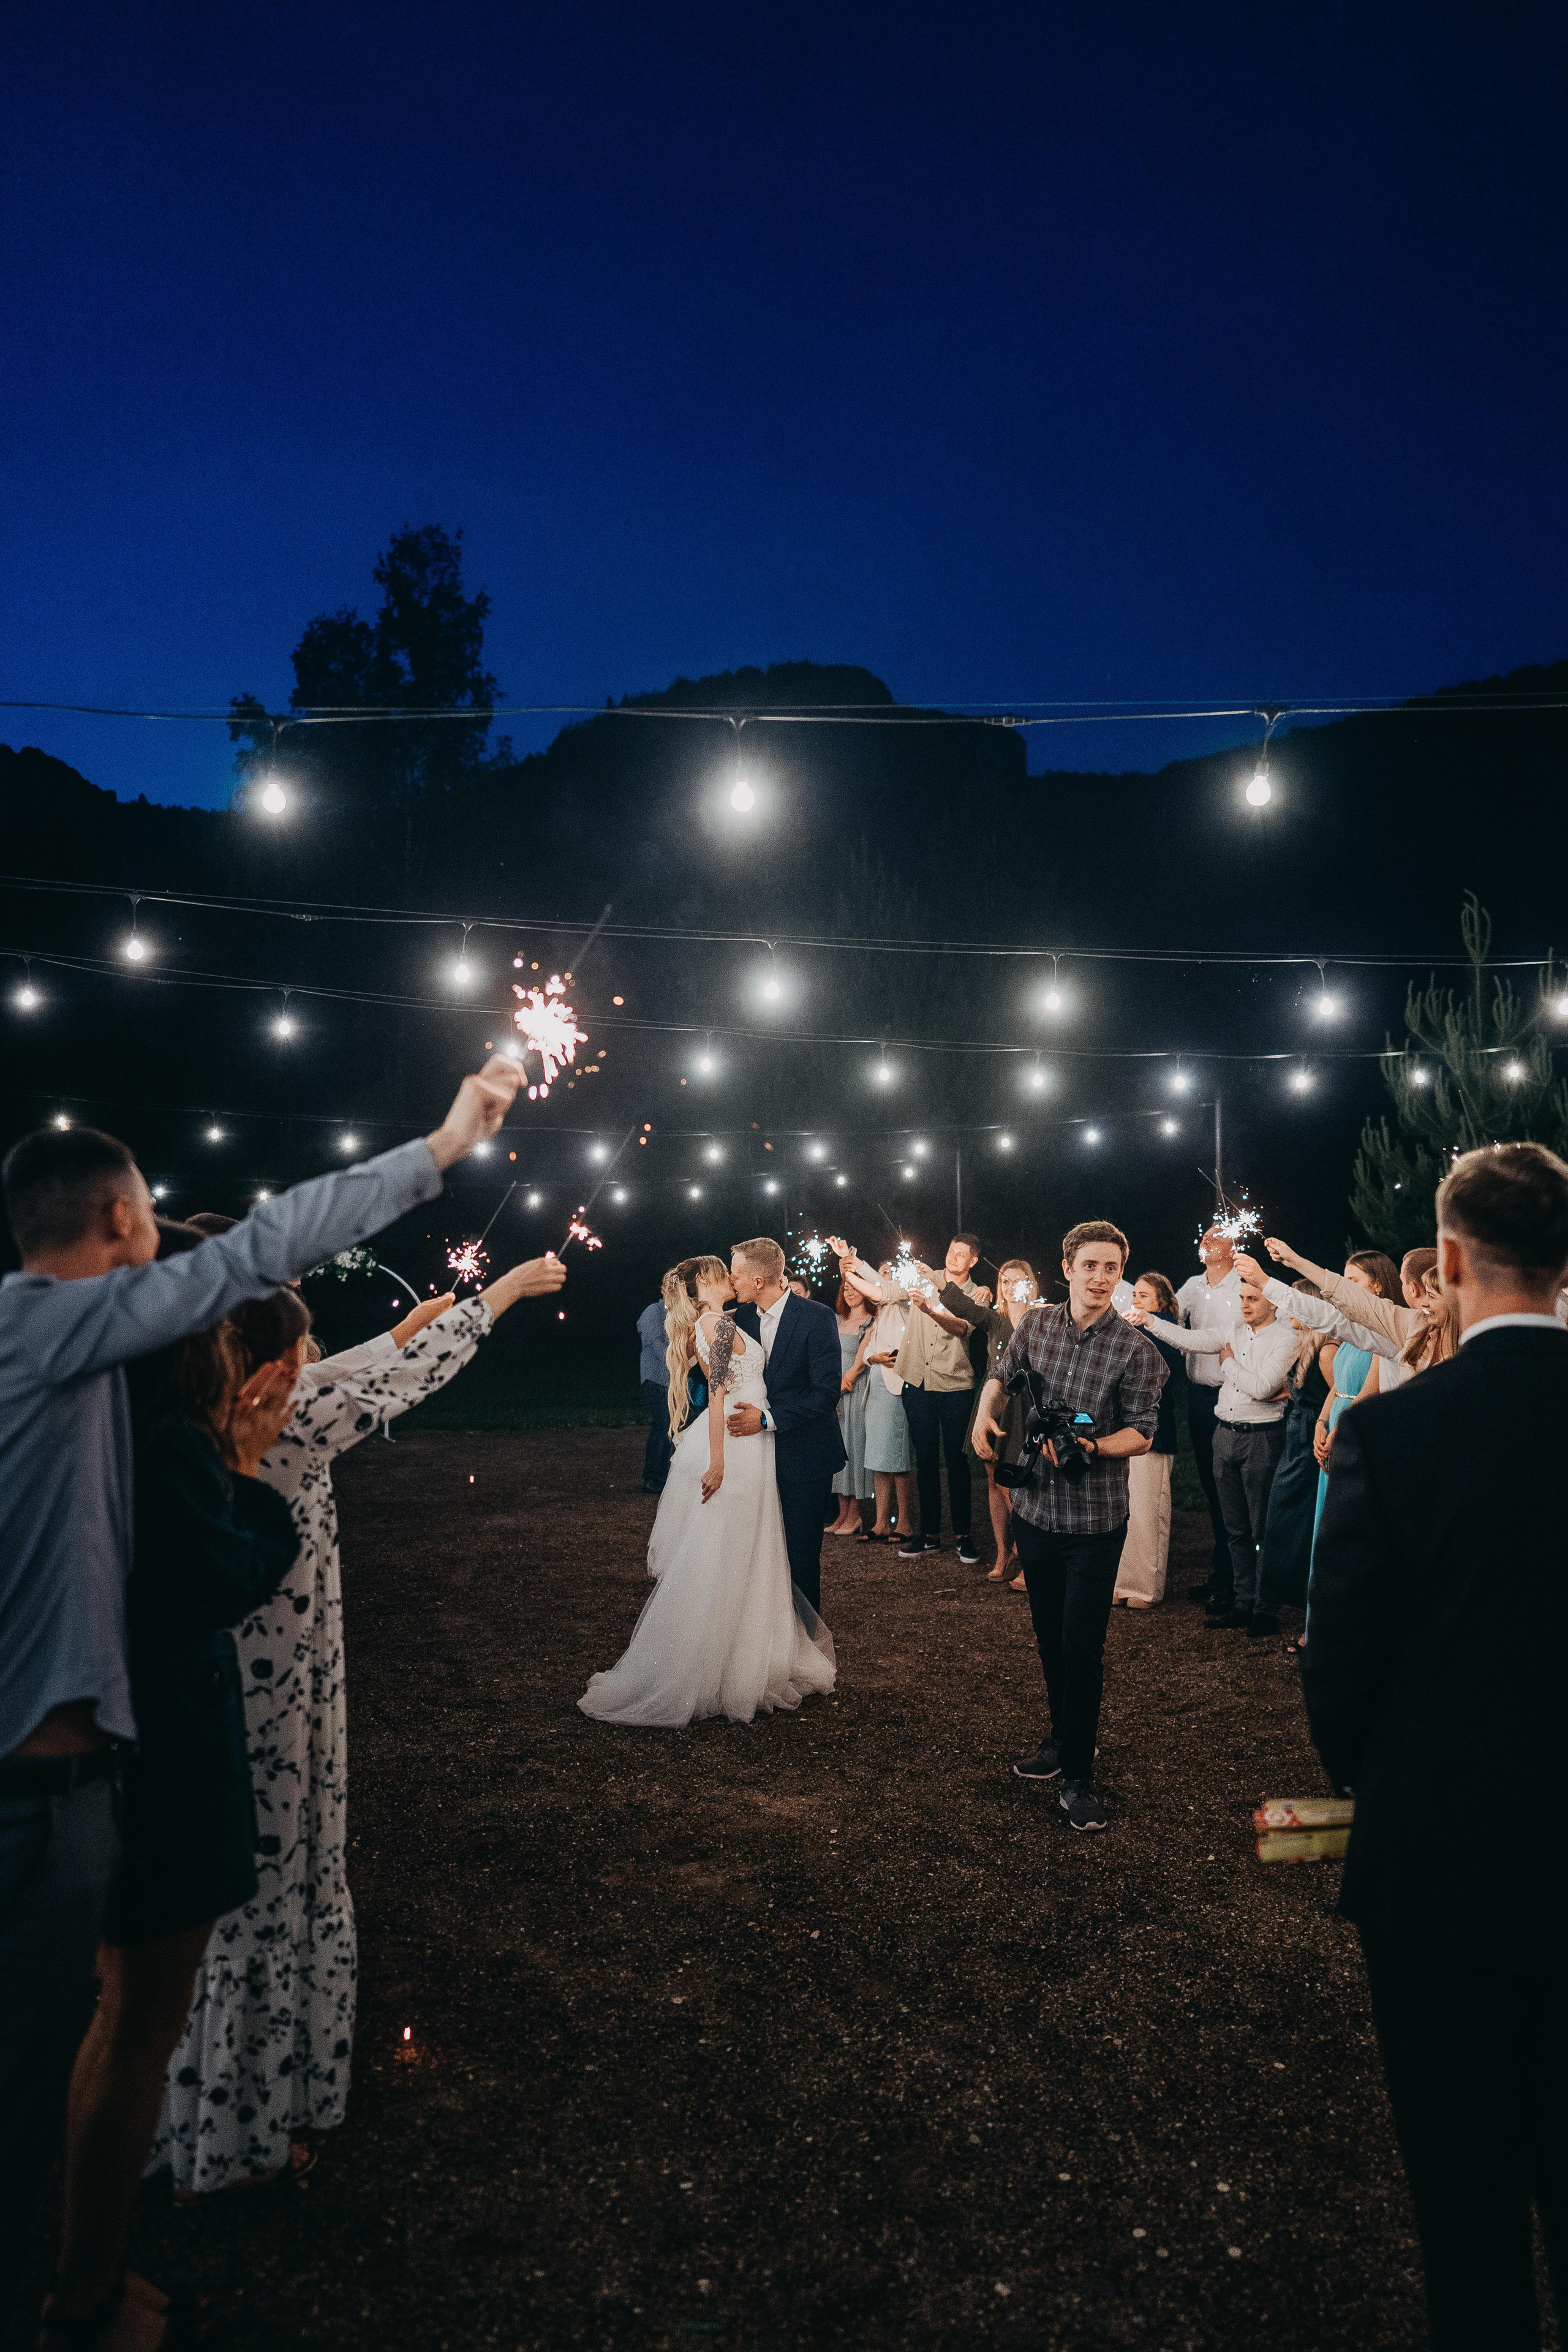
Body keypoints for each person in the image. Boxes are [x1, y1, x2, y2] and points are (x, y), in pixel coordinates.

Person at [0, 1054, 518, 2306]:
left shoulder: (76, 1375)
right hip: (47, 1786)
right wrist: (445, 1146)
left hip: (80, 1769)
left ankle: (81, 2281)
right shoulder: (70, 1334)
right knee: (62, 2062)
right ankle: (66, 2299)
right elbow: (256, 1254)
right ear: (125, 1222)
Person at [153, 1251, 566, 2203]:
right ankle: (244, 2128)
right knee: (270, 1878)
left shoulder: (199, 1404)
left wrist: (408, 1325)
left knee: (219, 1893)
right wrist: (497, 1298)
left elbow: (358, 1370)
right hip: (274, 1688)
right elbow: (386, 1389)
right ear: (268, 1366)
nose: (315, 1354)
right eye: (302, 1342)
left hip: (239, 1673)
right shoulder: (282, 1417)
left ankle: (191, 2109)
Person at [1303, 1142, 1568, 2350]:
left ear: (1448, 1261)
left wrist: (1367, 1779)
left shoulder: (1399, 1434)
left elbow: (1338, 1663)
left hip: (1439, 1869)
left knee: (1463, 2212)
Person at [45, 1239, 307, 2352]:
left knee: (112, 2021)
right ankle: (86, 2298)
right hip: (158, 1756)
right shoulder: (178, 1449)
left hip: (111, 1747)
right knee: (139, 2022)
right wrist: (246, 1462)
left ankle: (83, 2272)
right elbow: (219, 1578)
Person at [578, 1254, 835, 1725]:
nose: (730, 1277)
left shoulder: (716, 1321)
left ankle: (750, 1655)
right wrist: (717, 1463)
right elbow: (715, 1395)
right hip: (738, 1447)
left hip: (755, 1441)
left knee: (753, 1548)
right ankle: (721, 1668)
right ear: (706, 1283)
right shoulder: (715, 1324)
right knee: (729, 1552)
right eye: (724, 1271)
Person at [973, 1221, 1167, 1833]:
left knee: (1083, 1648)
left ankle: (1080, 1775)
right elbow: (1003, 1375)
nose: (1101, 1277)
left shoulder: (1139, 1351)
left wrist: (1092, 1445)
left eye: (1111, 1267)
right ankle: (1059, 1743)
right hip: (1035, 1515)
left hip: (1095, 1523)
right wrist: (984, 1413)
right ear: (1068, 1268)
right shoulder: (1034, 1324)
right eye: (1090, 1265)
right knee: (1050, 1640)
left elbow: (1143, 1431)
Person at [1127, 1265, 1298, 1634]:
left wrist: (1227, 1362)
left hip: (1262, 1437)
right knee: (1234, 1526)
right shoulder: (1232, 1331)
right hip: (1225, 1435)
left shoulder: (1285, 1338)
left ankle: (1265, 1609)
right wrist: (1150, 1321)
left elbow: (1265, 1387)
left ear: (1272, 1302)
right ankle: (1242, 1602)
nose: (1245, 1306)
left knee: (1261, 1528)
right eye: (1241, 1299)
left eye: (1252, 1299)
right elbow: (1190, 1340)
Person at [834, 1235, 983, 1564]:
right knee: (925, 1461)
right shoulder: (924, 1279)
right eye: (950, 1251)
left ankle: (963, 1536)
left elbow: (962, 1329)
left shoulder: (976, 1294)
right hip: (918, 1383)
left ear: (972, 1261)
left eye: (961, 1254)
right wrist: (849, 1267)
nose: (953, 1257)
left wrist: (929, 1309)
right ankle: (928, 1535)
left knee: (957, 1463)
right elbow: (881, 1292)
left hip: (956, 1383)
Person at [725, 1237, 847, 1616]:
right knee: (758, 1552)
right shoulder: (738, 1319)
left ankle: (806, 1641)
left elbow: (827, 1392)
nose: (731, 1281)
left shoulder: (817, 1316)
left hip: (806, 1455)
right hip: (753, 1459)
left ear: (759, 1280)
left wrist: (766, 1420)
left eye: (736, 1274)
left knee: (801, 1556)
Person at [915, 1256, 1040, 1585]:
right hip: (992, 1403)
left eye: (1018, 1280)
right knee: (993, 1479)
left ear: (1031, 1283)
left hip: (1025, 1406)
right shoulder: (995, 1320)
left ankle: (1029, 1556)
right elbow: (965, 1309)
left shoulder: (1042, 1319)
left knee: (1017, 1483)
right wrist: (939, 1281)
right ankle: (1003, 1552)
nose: (1012, 1287)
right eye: (1006, 1281)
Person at [1254, 1280, 1335, 1620]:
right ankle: (1271, 1600)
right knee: (1280, 1519)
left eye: (1294, 1304)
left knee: (1298, 1522)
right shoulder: (1302, 1343)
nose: (1287, 1312)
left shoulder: (1327, 1350)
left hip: (1311, 1442)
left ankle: (1288, 1604)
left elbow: (1338, 1392)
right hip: (1295, 1435)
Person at [1175, 1225, 1244, 1604]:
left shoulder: (1243, 1285)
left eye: (1217, 1237)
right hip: (1199, 1397)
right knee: (1210, 1484)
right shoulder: (1192, 1285)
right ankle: (1223, 1571)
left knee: (1231, 1487)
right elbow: (1165, 1310)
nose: (1206, 1241)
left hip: (1235, 1392)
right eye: (1204, 1237)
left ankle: (1238, 1579)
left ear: (1235, 1247)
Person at [1114, 1272, 1183, 1608]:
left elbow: (1158, 1379)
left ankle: (1144, 1587)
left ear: (1162, 1303)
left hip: (1153, 1433)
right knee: (1122, 1508)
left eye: (1144, 1296)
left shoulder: (1166, 1332)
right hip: (1123, 1430)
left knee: (1146, 1511)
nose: (1136, 1301)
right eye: (1135, 1295)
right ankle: (1119, 1582)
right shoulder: (1128, 1329)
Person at [852, 1261, 914, 1545]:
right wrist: (873, 1358)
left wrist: (856, 1267)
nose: (884, 1278)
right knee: (878, 1457)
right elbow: (868, 1354)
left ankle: (905, 1522)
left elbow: (882, 1288)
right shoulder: (878, 1315)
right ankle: (881, 1522)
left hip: (896, 1385)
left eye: (888, 1274)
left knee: (897, 1457)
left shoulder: (903, 1301)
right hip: (875, 1386)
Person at [826, 1268, 875, 1537]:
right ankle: (841, 1513)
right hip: (832, 1391)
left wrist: (844, 1383)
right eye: (846, 1288)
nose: (851, 1292)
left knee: (854, 1449)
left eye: (856, 1287)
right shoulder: (834, 1320)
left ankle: (855, 1515)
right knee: (836, 1450)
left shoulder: (871, 1322)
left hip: (855, 1392)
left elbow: (861, 1360)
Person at [637, 1295, 673, 1492]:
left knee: (667, 1427)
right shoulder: (653, 1312)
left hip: (669, 1383)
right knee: (663, 1425)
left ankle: (659, 1475)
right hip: (653, 1381)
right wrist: (678, 1361)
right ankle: (652, 1478)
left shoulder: (676, 1315)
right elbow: (657, 1344)